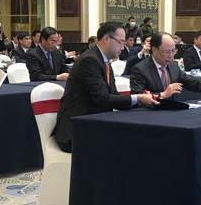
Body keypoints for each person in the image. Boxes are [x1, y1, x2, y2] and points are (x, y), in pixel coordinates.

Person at [54, 22, 158, 152]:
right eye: (120, 42)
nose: (123, 47)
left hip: (95, 123)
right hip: (77, 130)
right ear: (107, 39)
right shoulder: (89, 60)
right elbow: (102, 98)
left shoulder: (104, 62)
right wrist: (138, 98)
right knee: (132, 141)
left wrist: (142, 101)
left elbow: (114, 96)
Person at [130, 32, 201, 99]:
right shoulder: (140, 69)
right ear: (154, 50)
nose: (171, 55)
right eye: (167, 52)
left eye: (173, 51)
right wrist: (162, 95)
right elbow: (137, 98)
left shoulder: (173, 66)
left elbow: (193, 82)